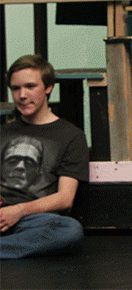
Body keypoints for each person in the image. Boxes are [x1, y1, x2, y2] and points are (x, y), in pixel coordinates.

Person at [1, 55, 89, 259]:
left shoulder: (71, 136)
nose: (22, 95)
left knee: (69, 229)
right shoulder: (3, 133)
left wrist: (20, 211)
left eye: (30, 86)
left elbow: (65, 199)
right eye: (15, 88)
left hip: (33, 219)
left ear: (48, 87)